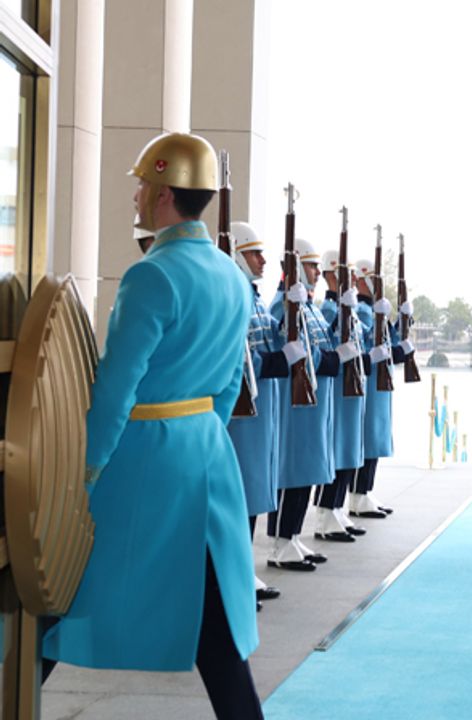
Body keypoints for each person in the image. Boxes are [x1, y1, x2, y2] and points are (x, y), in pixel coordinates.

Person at [42, 132, 264, 719]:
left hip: (144, 457)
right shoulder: (232, 276)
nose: (136, 195)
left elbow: (117, 388)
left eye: (143, 184)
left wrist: (84, 471)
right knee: (214, 618)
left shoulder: (151, 275)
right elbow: (228, 385)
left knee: (60, 582)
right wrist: (199, 434)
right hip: (207, 453)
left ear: (165, 194)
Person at [266, 238, 341, 570]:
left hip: (315, 402)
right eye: (310, 266)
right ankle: (280, 543)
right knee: (292, 469)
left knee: (308, 468)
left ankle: (293, 536)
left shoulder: (309, 306)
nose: (316, 272)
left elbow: (321, 345)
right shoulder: (282, 304)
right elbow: (285, 344)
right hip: (294, 406)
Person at [224, 221, 286, 609]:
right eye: (253, 253)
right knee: (242, 490)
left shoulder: (254, 297)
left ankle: (242, 567)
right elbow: (237, 356)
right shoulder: (236, 297)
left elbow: (271, 338)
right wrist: (275, 361)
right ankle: (235, 573)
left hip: (261, 408)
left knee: (253, 489)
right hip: (242, 410)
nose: (262, 260)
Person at [313, 251, 367, 541]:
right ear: (331, 276)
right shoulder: (328, 309)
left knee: (348, 449)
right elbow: (326, 343)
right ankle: (325, 512)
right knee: (337, 449)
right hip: (338, 387)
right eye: (347, 274)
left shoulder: (349, 308)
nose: (354, 280)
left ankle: (336, 508)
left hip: (352, 386)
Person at [351, 258, 399, 519]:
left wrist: (399, 320)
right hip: (369, 380)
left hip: (380, 380)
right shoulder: (360, 310)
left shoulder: (372, 309)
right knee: (368, 438)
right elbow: (368, 341)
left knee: (376, 437)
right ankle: (358, 493)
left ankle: (365, 491)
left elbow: (390, 341)